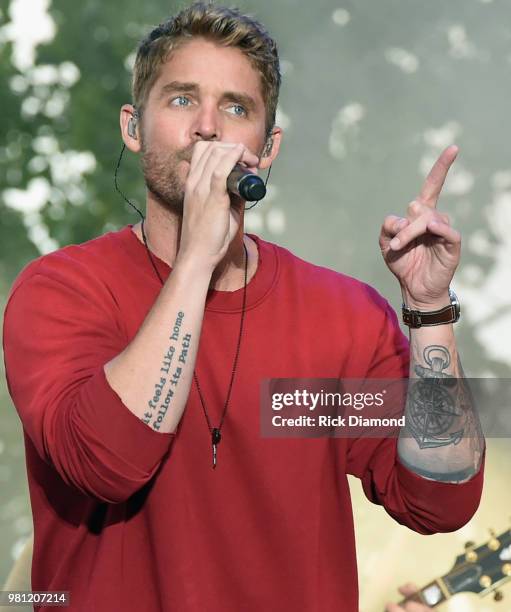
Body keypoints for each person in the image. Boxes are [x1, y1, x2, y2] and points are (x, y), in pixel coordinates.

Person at [2, 2, 485, 611]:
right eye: (181, 100)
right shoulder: (61, 290)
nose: (209, 128)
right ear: (132, 127)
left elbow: (440, 500)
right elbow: (108, 464)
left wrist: (431, 309)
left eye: (237, 108)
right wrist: (197, 260)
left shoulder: (344, 315)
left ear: (268, 146)